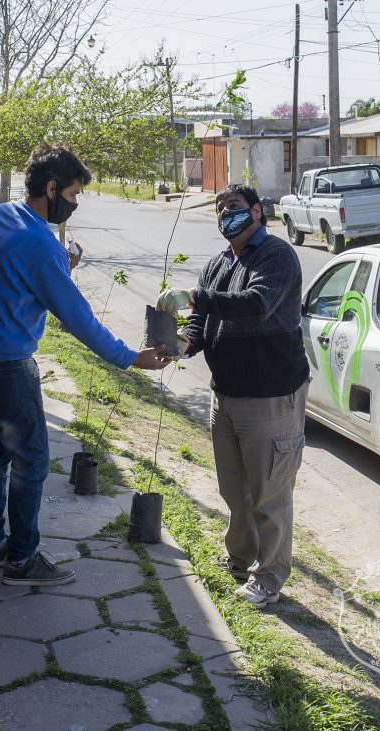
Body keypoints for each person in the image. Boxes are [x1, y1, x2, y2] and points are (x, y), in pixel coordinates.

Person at [0, 143, 169, 586]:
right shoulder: (40, 245)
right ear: (52, 188)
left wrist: (61, 268)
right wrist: (130, 358)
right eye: (72, 195)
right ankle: (21, 560)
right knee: (32, 461)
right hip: (10, 368)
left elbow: (12, 283)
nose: (72, 205)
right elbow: (79, 320)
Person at [155, 184, 309, 607]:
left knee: (269, 493)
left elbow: (256, 304)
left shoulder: (276, 255)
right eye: (221, 208)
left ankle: (270, 577)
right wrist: (182, 344)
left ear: (258, 212)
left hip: (270, 396)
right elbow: (201, 322)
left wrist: (196, 296)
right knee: (234, 489)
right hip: (225, 395)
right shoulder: (216, 263)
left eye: (236, 207)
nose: (227, 214)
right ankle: (240, 560)